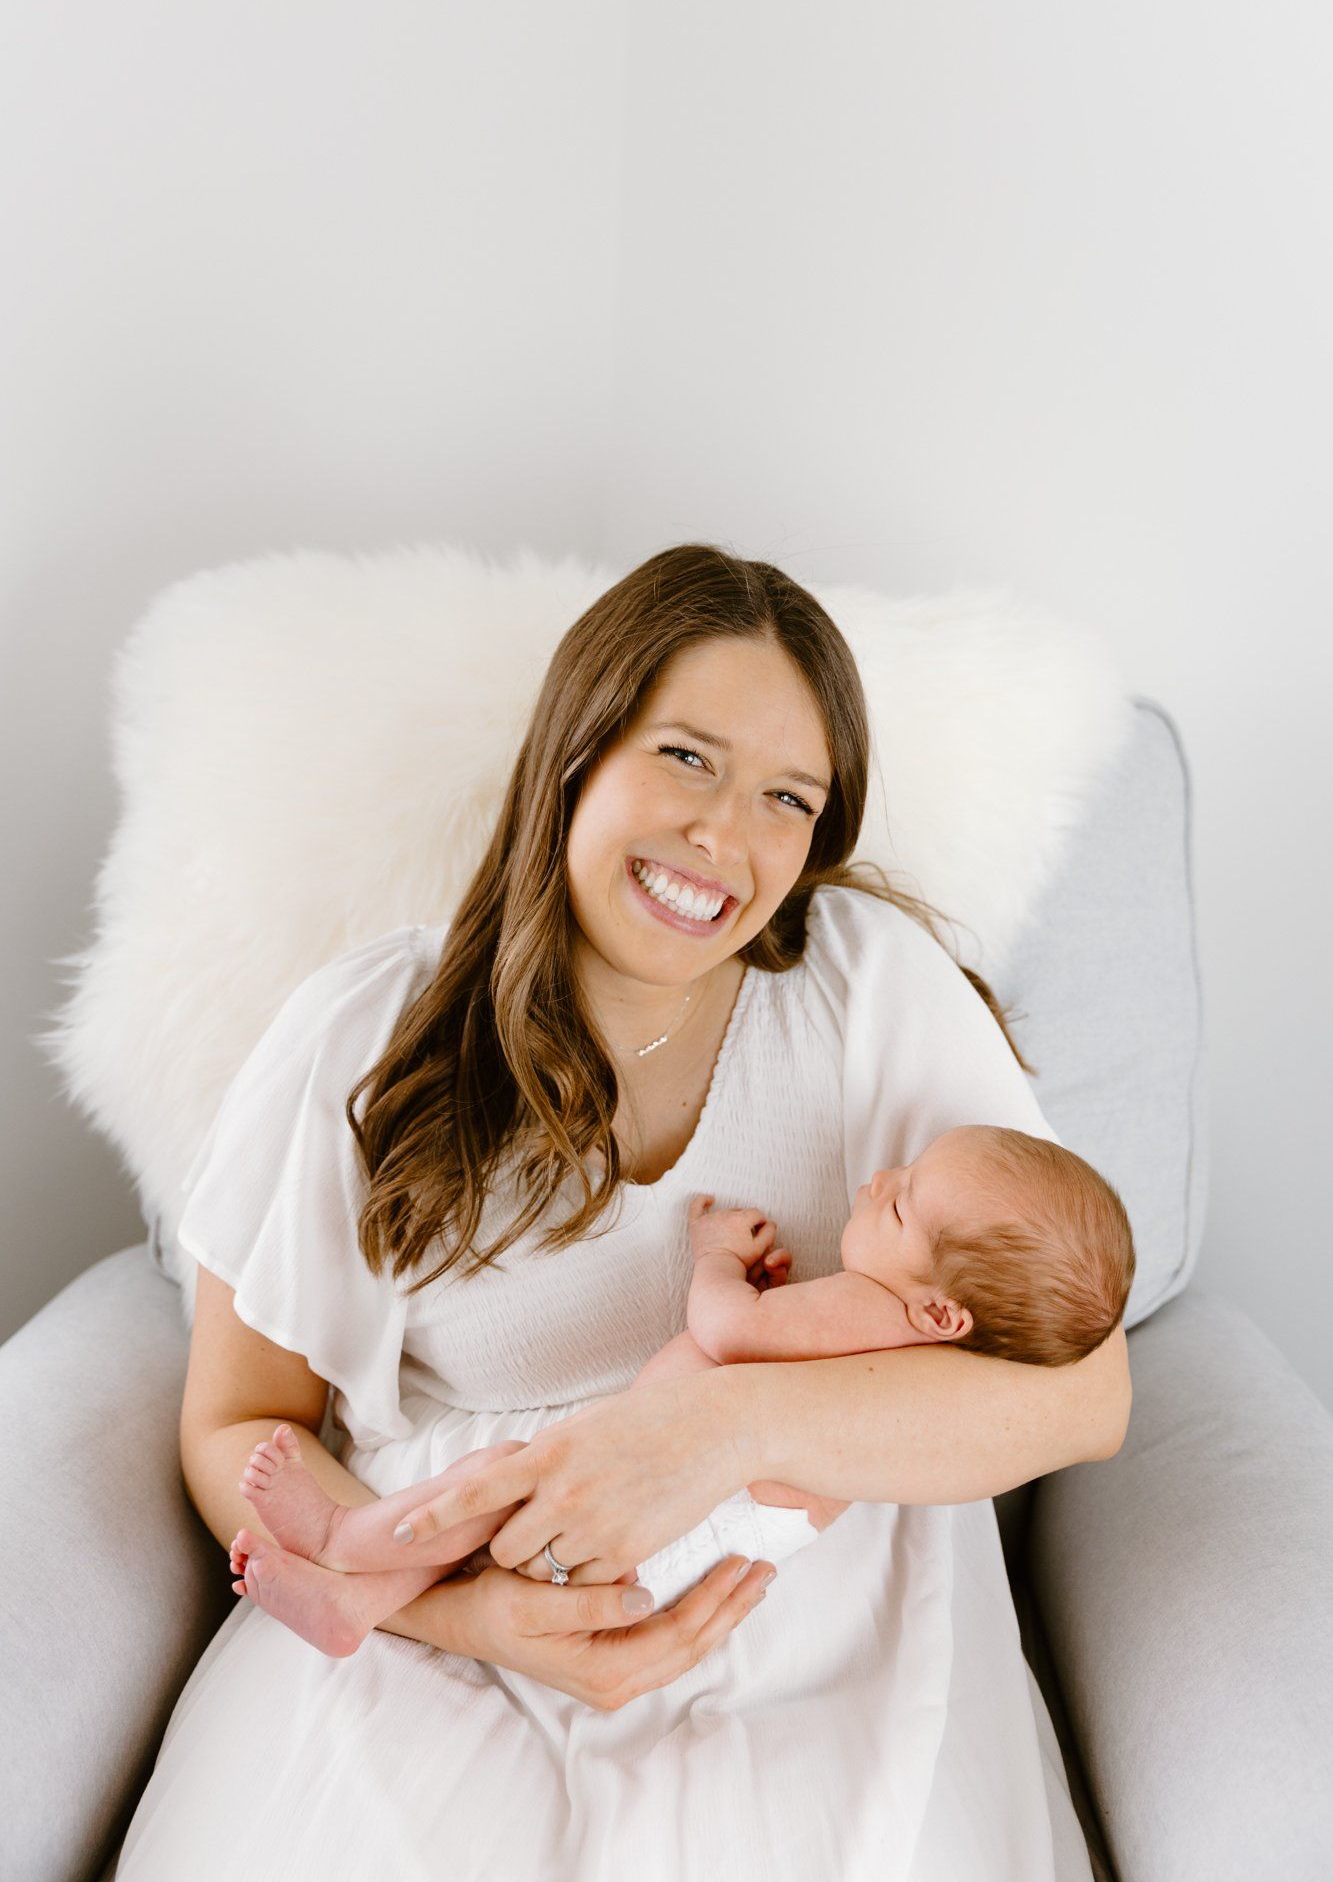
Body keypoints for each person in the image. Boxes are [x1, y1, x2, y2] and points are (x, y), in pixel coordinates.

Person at [114, 544, 1130, 1881]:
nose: (726, 835)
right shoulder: (367, 1033)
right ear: (575, 751)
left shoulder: (872, 986)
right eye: (687, 757)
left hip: (812, 1645)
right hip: (440, 1637)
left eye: (788, 796)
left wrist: (728, 1424)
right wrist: (467, 1618)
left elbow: (1082, 1393)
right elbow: (238, 1425)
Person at [223, 1124, 1135, 1647]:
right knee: (488, 1540)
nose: (877, 1179)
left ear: (941, 1314)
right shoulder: (910, 1336)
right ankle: (357, 1601)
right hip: (712, 1532)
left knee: (500, 1482)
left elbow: (728, 1333)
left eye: (899, 1203)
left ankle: (347, 1535)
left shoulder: (869, 1309)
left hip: (683, 1508)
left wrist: (713, 1262)